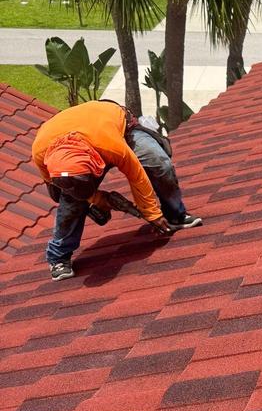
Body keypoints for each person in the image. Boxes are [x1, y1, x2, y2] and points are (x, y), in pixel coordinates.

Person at [32, 100, 202, 281]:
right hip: (72, 141)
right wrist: (96, 199)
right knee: (69, 201)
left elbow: (136, 175)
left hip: (120, 129)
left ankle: (175, 215)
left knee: (159, 164)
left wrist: (152, 214)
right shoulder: (41, 152)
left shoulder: (110, 145)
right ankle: (58, 257)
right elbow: (56, 188)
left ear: (94, 166)